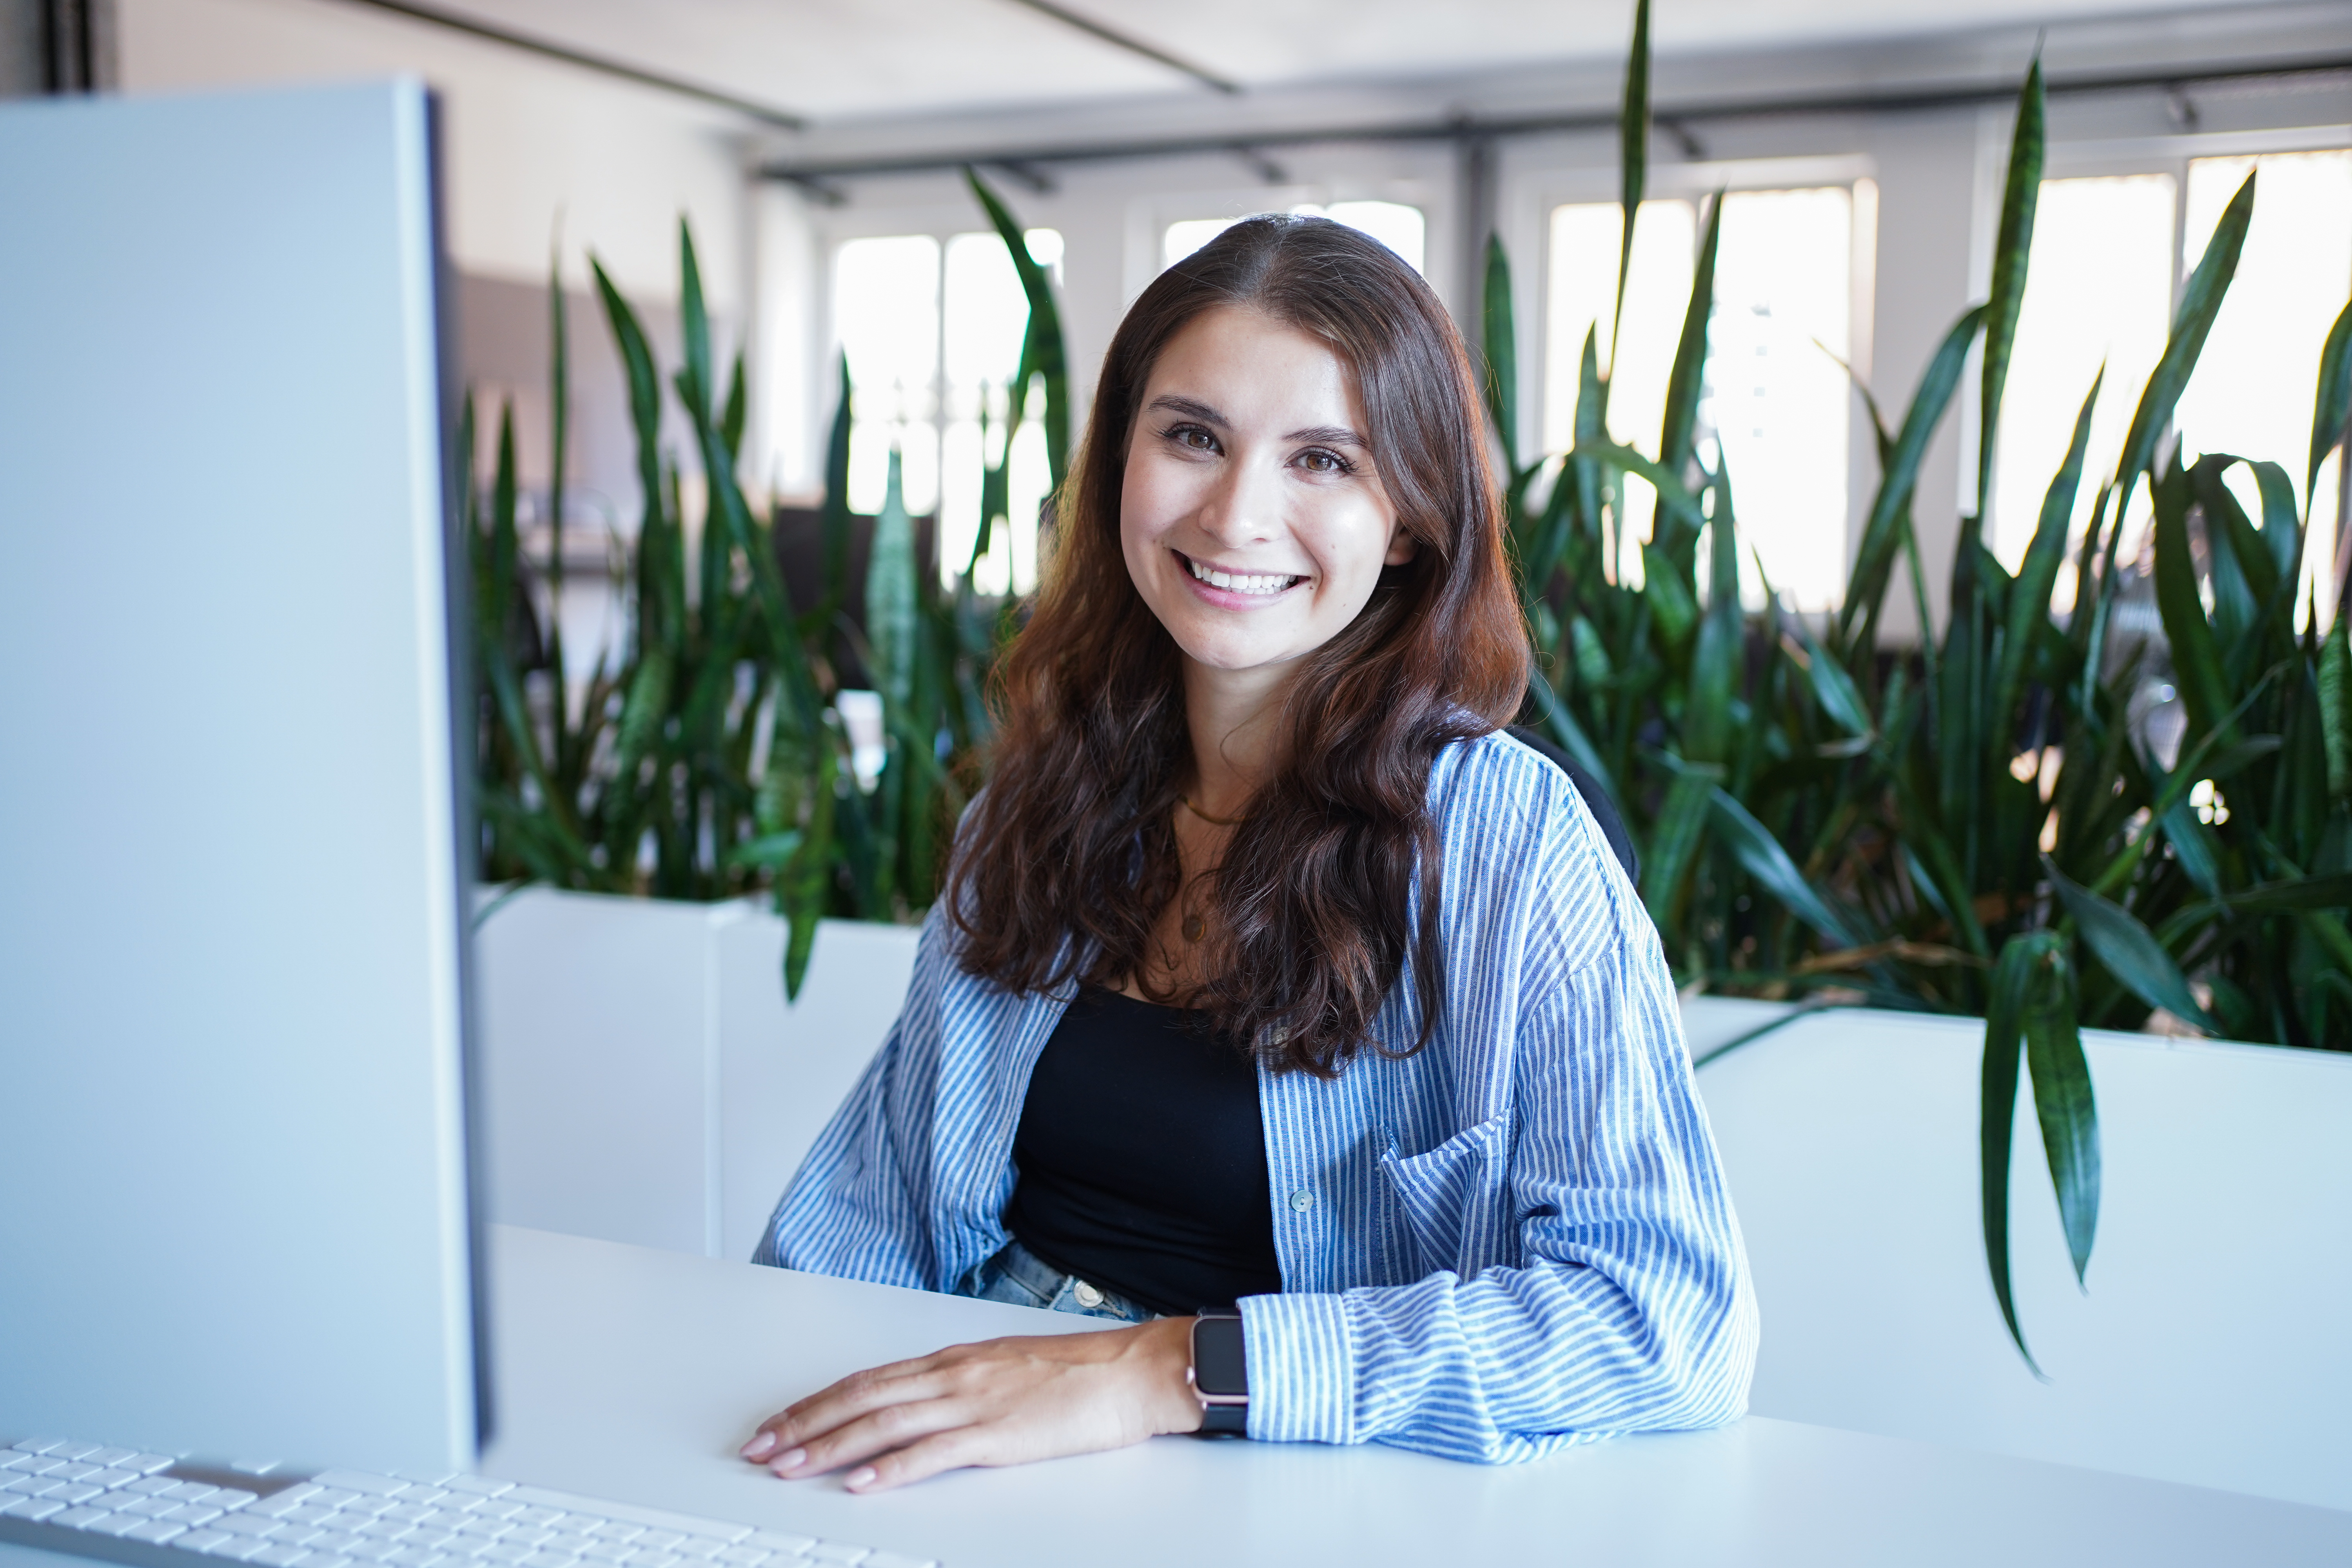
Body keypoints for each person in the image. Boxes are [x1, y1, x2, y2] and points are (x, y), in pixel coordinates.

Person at [743, 214, 1755, 1492]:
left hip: (1278, 1484)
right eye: (1192, 436)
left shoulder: (1508, 845)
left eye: (1324, 458)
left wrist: (1165, 1372)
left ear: (1406, 521)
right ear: (1122, 457)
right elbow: (863, 1223)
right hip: (970, 1455)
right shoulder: (1033, 803)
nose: (1236, 515)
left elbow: (1670, 1322)